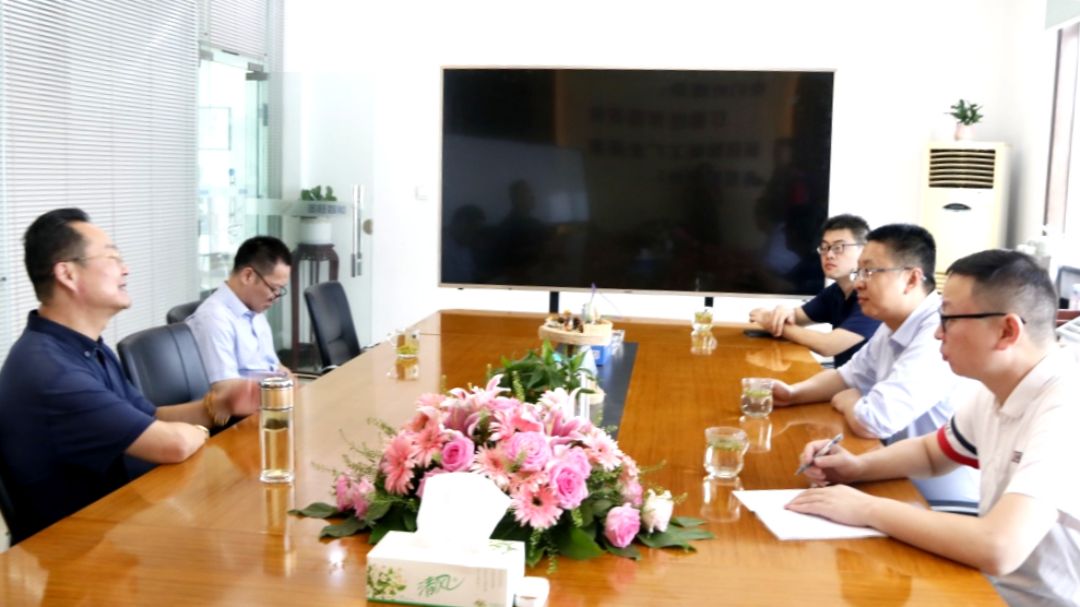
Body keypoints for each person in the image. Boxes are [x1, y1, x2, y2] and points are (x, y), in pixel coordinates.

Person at [788, 249, 1079, 605]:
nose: (938, 333)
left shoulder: (1067, 405)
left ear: (1007, 331)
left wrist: (866, 509)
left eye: (949, 319)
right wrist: (856, 467)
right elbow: (932, 453)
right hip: (989, 586)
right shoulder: (996, 389)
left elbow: (999, 546)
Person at [0, 208, 259, 543]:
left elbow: (150, 416)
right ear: (67, 274)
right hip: (75, 549)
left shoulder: (83, 346)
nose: (126, 269)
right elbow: (173, 444)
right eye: (111, 258)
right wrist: (198, 429)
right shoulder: (50, 371)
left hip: (118, 522)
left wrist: (220, 405)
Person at [767, 223, 978, 506]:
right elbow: (847, 376)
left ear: (911, 279)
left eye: (870, 271)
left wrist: (850, 399)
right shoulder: (892, 325)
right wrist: (794, 393)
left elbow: (874, 421)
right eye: (859, 272)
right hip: (893, 475)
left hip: (940, 502)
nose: (858, 283)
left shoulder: (935, 333)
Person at [749, 214, 880, 366]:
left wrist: (769, 321)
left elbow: (828, 345)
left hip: (872, 382)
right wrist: (781, 312)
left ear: (864, 251)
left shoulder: (873, 295)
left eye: (838, 248)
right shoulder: (834, 292)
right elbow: (795, 317)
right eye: (824, 248)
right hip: (842, 378)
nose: (829, 255)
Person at [186, 236, 292, 391]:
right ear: (248, 276)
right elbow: (224, 389)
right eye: (274, 288)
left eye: (280, 290)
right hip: (251, 404)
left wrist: (289, 380)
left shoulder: (255, 311)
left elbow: (275, 366)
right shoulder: (213, 319)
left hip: (272, 397)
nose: (276, 298)